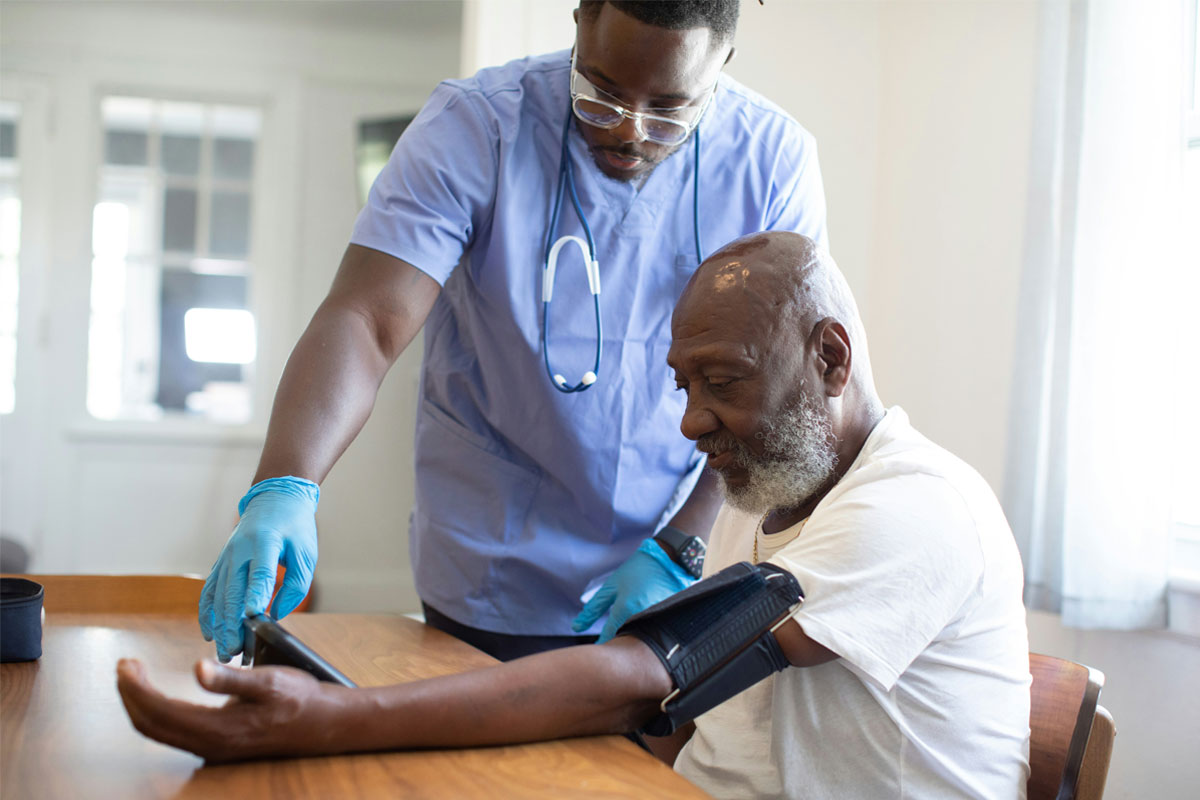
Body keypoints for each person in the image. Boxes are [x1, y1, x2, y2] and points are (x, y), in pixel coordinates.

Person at [121, 232, 1031, 799]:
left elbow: (651, 675)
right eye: (684, 386)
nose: (691, 420)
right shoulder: (768, 499)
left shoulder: (917, 508)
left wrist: (331, 720)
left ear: (830, 357)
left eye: (722, 382)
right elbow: (676, 712)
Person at [198, 0, 829, 664]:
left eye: (671, 110)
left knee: (628, 766)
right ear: (580, 20)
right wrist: (287, 485)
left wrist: (683, 546)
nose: (630, 132)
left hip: (673, 556)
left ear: (721, 66)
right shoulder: (475, 126)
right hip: (489, 563)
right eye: (601, 95)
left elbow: (776, 392)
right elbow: (367, 318)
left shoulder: (772, 161)